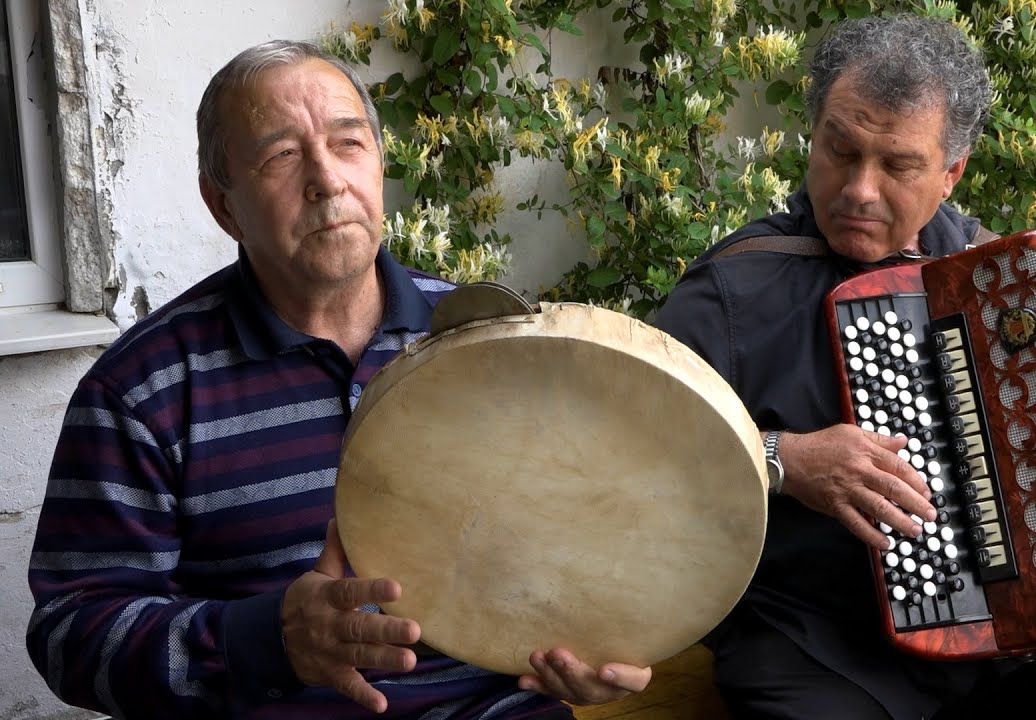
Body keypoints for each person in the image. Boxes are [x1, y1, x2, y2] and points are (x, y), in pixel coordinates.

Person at [655, 14, 1036, 720]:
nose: (859, 189)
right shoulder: (731, 292)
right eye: (840, 150)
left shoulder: (1010, 283)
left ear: (951, 173)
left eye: (897, 165)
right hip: (824, 647)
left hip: (1029, 648)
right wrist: (780, 458)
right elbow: (638, 459)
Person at [26, 40, 650, 719]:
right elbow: (72, 633)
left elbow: (568, 542)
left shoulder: (492, 342)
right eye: (281, 156)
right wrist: (265, 640)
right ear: (223, 205)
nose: (326, 178)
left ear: (379, 165)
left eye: (348, 144)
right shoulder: (141, 390)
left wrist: (588, 641)